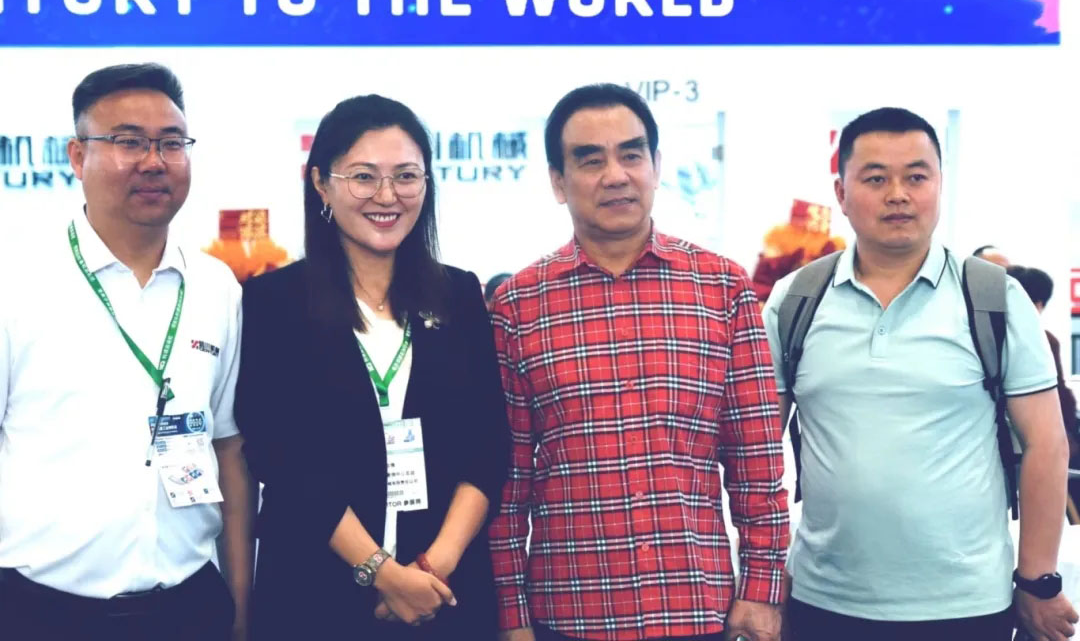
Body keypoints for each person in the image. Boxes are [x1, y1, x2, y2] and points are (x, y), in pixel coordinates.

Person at [488, 84, 789, 641]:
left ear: (656, 166)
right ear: (558, 181)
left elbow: (757, 460)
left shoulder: (722, 289)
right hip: (568, 616)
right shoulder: (518, 306)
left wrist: (761, 590)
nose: (616, 175)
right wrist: (512, 616)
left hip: (697, 612)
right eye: (590, 160)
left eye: (631, 154)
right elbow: (509, 483)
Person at [763, 107, 1078, 641]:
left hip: (968, 605)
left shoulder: (994, 298)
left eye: (916, 177)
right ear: (841, 193)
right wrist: (765, 578)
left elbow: (1046, 444)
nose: (898, 195)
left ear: (939, 184)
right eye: (875, 178)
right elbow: (757, 450)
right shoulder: (795, 300)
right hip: (824, 599)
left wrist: (1037, 579)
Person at [234, 94, 510, 639]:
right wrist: (383, 574)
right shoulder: (274, 300)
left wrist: (431, 569)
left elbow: (487, 446)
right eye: (363, 177)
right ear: (321, 183)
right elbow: (281, 455)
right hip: (315, 596)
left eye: (406, 176)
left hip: (446, 594)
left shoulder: (459, 294)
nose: (387, 196)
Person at [0, 63, 254, 640]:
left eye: (171, 143)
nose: (154, 161)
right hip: (41, 612)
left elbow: (228, 447)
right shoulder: (16, 282)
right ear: (77, 156)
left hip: (189, 609)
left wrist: (240, 611)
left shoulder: (216, 287)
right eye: (129, 141)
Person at [1007, 265, 1080, 510]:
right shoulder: (1043, 339)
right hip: (1033, 440)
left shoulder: (984, 334)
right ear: (1037, 304)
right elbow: (1059, 394)